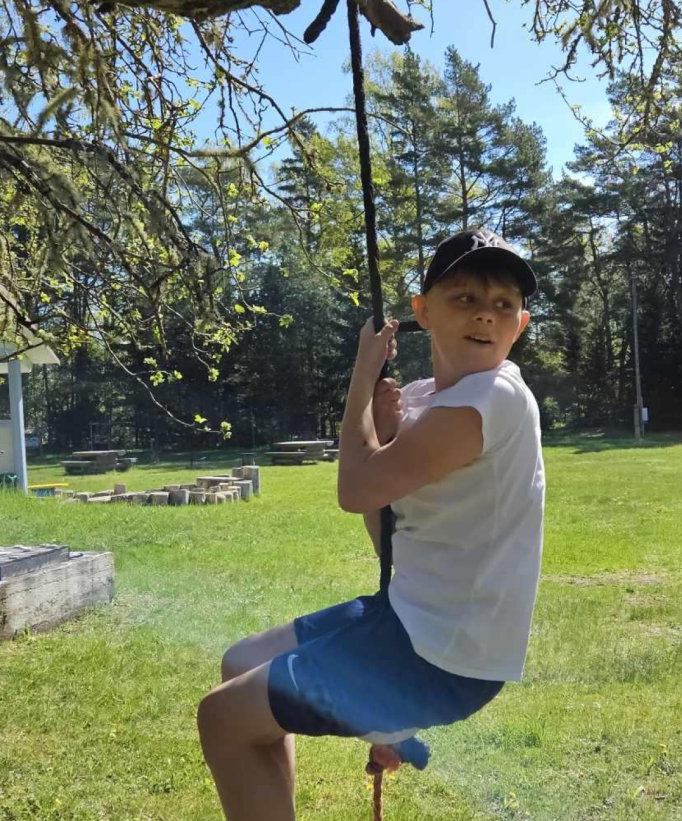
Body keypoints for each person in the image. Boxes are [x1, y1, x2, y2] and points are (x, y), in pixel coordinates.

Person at [197, 227, 545, 820]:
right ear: (422, 311)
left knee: (223, 718)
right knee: (239, 663)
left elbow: (352, 489)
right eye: (465, 298)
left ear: (521, 325)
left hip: (440, 657)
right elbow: (386, 533)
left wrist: (363, 375)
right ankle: (372, 725)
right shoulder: (424, 400)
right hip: (406, 618)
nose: (486, 315)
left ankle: (385, 712)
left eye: (503, 305)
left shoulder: (494, 398)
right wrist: (381, 434)